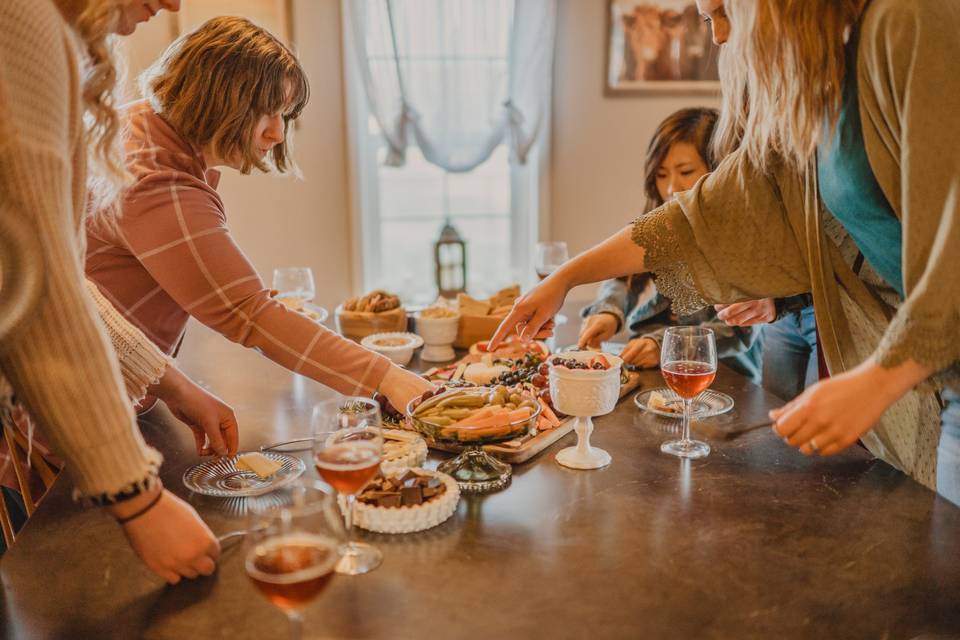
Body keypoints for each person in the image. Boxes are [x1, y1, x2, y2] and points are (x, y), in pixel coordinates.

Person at [491, 0, 960, 505]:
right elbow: (700, 217)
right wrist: (566, 276)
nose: (717, 37)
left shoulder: (908, 23)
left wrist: (877, 379)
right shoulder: (817, 81)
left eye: (721, 11)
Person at [85, 16, 434, 412]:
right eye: (267, 113)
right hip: (71, 425)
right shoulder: (158, 183)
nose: (278, 134)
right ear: (215, 97)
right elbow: (249, 314)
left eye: (285, 115)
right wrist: (388, 377)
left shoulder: (140, 125)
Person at [0, 0, 231, 580]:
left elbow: (64, 281)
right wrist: (138, 498)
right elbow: (43, 293)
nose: (175, 3)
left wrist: (171, 382)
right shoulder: (20, 26)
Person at [578, 107, 763, 383]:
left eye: (685, 171)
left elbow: (737, 332)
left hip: (727, 380)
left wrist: (663, 344)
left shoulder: (745, 237)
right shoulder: (664, 222)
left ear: (719, 170)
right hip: (665, 375)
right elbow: (625, 276)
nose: (670, 189)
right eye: (661, 174)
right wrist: (609, 312)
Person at [695, 0, 818, 402]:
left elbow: (835, 239)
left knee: (839, 456)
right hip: (783, 315)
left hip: (826, 313)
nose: (718, 37)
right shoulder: (748, 81)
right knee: (780, 439)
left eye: (723, 13)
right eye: (708, 20)